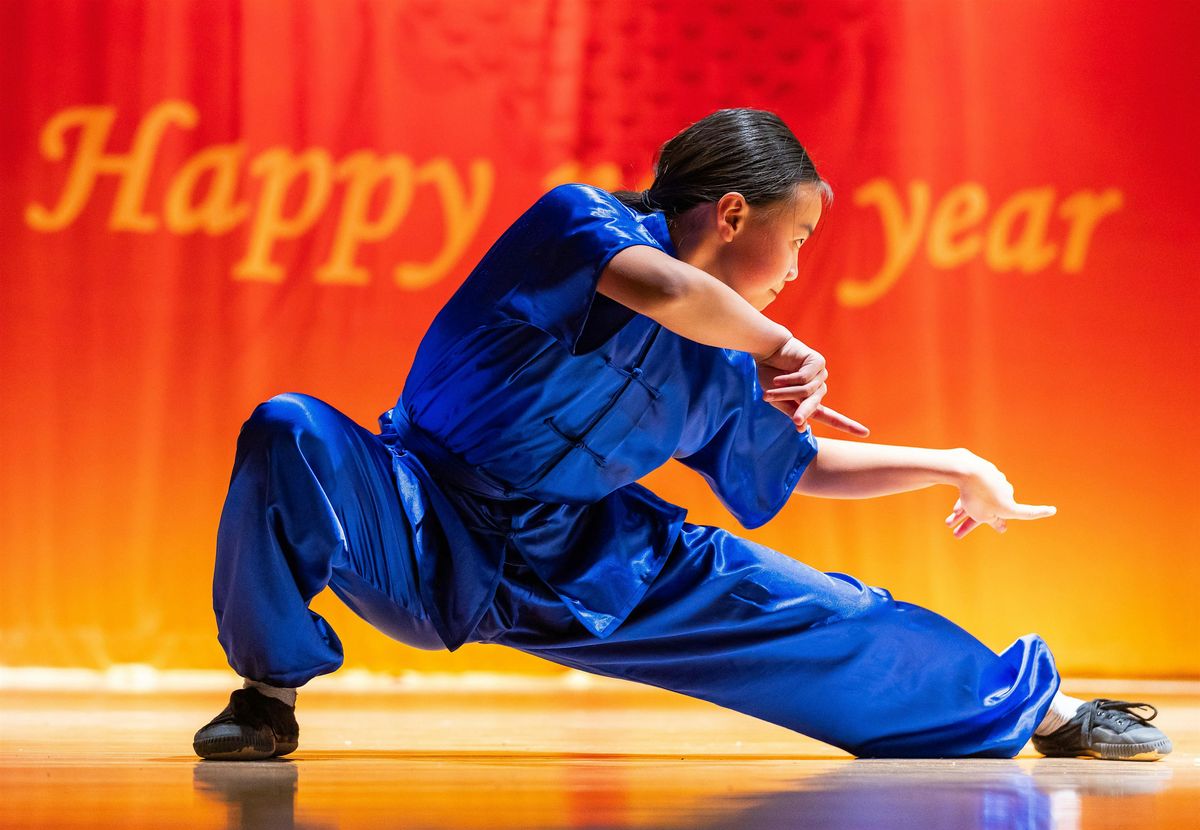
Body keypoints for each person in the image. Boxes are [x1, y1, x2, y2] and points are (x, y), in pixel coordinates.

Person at [193, 108, 1171, 762]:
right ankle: (265, 698)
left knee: (825, 607)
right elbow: (661, 286)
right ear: (733, 212)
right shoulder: (578, 225)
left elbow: (801, 466)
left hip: (580, 553)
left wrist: (950, 464)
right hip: (418, 514)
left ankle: (1047, 713)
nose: (793, 268)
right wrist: (780, 342)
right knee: (289, 431)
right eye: (793, 241)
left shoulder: (718, 362)